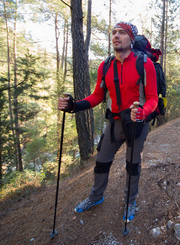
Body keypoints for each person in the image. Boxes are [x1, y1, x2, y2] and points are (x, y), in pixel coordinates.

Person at [58, 22, 158, 222]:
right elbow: (97, 96)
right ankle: (95, 197)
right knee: (101, 162)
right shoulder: (106, 65)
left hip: (137, 122)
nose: (116, 36)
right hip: (114, 122)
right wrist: (74, 106)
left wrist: (142, 113)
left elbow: (153, 97)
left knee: (132, 164)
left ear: (131, 38)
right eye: (113, 33)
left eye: (122, 33)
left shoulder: (144, 63)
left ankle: (130, 201)